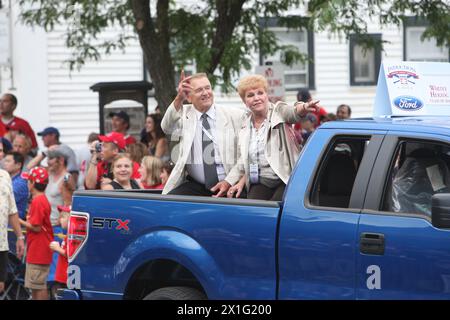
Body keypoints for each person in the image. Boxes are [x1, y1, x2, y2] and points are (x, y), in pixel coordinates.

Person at [227, 74, 319, 201]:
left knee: (274, 210)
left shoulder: (278, 111)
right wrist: (238, 181)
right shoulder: (244, 124)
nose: (256, 98)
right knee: (253, 210)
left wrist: (303, 107)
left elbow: (292, 112)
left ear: (266, 95)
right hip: (260, 181)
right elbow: (245, 160)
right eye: (250, 95)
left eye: (260, 93)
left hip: (285, 179)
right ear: (244, 101)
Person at [161, 71, 245, 197]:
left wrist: (229, 181)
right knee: (169, 205)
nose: (206, 93)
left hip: (230, 183)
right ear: (189, 97)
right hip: (196, 185)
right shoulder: (184, 115)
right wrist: (179, 98)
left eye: (208, 88)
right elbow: (167, 127)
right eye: (199, 90)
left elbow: (245, 155)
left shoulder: (236, 115)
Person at [19, 166, 54, 300]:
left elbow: (36, 227)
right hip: (39, 249)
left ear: (33, 183)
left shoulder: (38, 201)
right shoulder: (41, 199)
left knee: (38, 285)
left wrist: (18, 220)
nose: (27, 184)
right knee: (36, 285)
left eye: (28, 181)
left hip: (39, 249)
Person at [0, 169, 25, 295]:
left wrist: (20, 237)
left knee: (0, 286)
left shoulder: (5, 176)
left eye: (1, 150)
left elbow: (12, 210)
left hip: (1, 245)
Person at [45, 147, 76, 226]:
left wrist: (60, 221)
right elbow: (29, 167)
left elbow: (68, 203)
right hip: (45, 224)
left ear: (61, 160)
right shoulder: (49, 174)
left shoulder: (66, 178)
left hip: (56, 225)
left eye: (51, 158)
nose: (48, 162)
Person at [49, 205, 70, 297]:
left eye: (62, 217)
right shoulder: (67, 234)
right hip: (61, 276)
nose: (59, 219)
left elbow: (70, 255)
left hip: (66, 277)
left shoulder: (72, 236)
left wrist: (58, 249)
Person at [2, 152, 29, 220]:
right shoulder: (6, 179)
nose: (4, 164)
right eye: (5, 161)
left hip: (13, 226)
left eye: (8, 161)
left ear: (18, 165)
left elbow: (3, 201)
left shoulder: (20, 183)